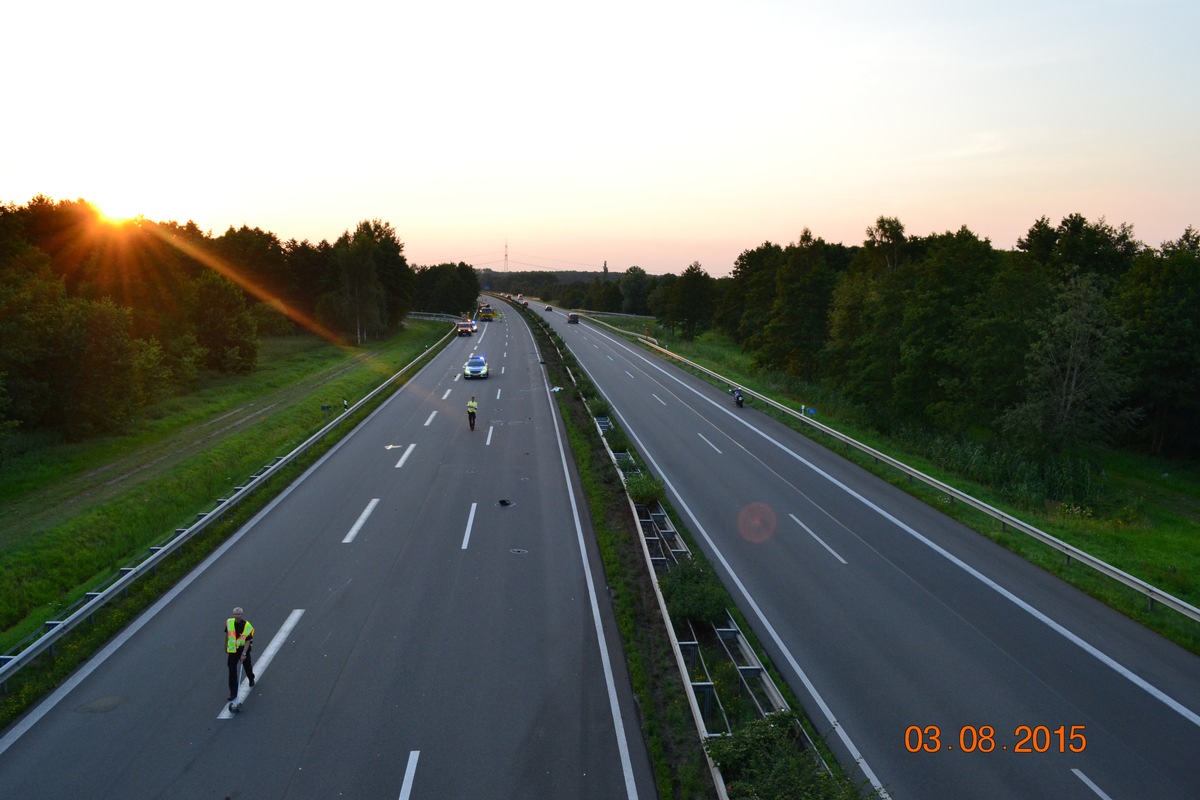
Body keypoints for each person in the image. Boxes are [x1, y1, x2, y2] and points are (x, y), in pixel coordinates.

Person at [225, 607, 256, 701]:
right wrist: (225, 646)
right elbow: (227, 635)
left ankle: (251, 678)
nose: (237, 616)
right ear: (233, 614)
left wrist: (243, 654)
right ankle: (233, 692)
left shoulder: (246, 625)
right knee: (232, 671)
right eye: (235, 614)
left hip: (243, 650)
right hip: (233, 651)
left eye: (239, 614)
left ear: (241, 615)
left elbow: (248, 641)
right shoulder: (229, 622)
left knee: (247, 667)